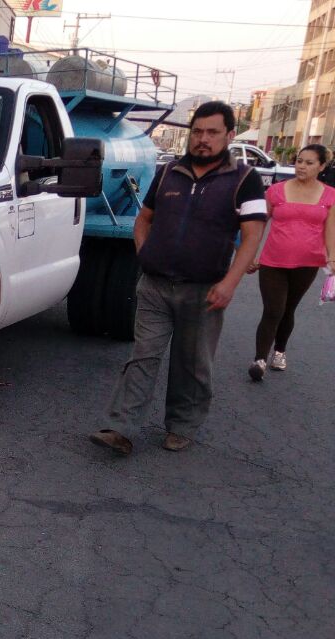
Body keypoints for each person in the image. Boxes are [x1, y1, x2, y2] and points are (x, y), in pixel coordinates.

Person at [91, 101, 267, 455]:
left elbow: (252, 235)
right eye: (197, 132)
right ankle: (121, 428)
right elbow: (144, 219)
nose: (203, 140)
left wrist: (230, 282)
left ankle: (182, 425)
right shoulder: (170, 171)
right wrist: (144, 253)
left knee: (193, 363)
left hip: (204, 290)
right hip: (155, 285)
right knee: (142, 355)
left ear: (230, 135)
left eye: (212, 133)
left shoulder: (245, 179)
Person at [247, 143, 335, 380]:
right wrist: (250, 254)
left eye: (309, 163)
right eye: (299, 161)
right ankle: (259, 359)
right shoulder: (275, 191)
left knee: (289, 309)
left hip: (307, 263)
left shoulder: (329, 195)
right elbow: (258, 224)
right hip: (273, 261)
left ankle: (280, 351)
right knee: (273, 309)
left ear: (321, 166)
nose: (302, 166)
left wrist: (332, 257)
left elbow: (330, 229)